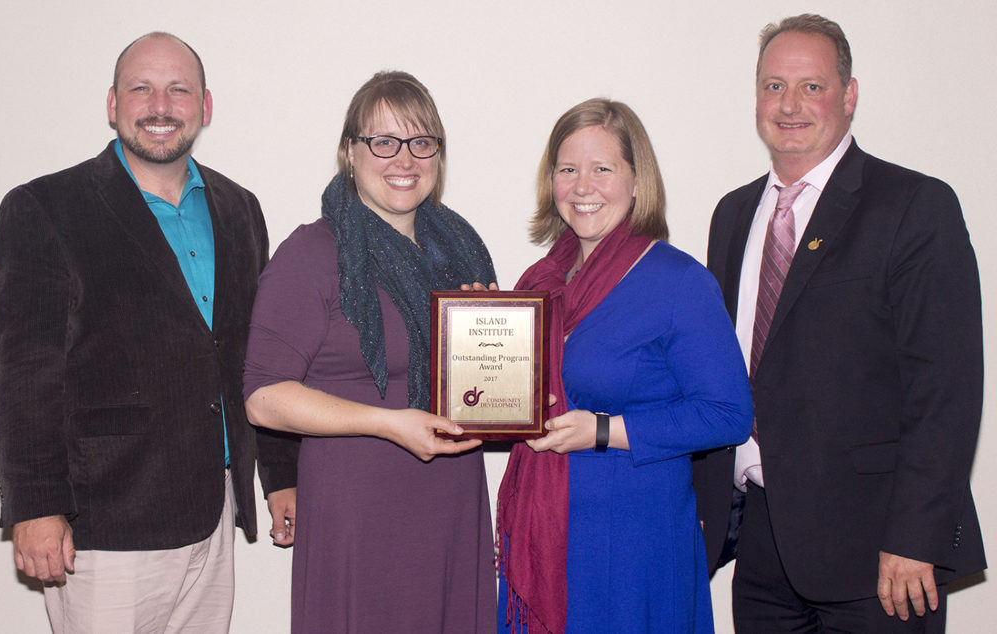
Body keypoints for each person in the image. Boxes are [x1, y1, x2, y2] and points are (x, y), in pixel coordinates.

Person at [0, 32, 298, 633]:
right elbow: (22, 374)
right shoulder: (46, 207)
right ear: (112, 103)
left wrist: (281, 474)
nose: (161, 106)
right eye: (142, 88)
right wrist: (36, 506)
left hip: (214, 506)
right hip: (106, 518)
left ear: (205, 107)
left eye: (179, 90)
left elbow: (256, 355)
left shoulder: (240, 209)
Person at [692, 13, 986, 633]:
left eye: (812, 86)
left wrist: (917, 536)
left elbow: (946, 390)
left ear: (849, 95)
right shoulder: (733, 214)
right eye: (774, 86)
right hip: (762, 544)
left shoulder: (913, 206)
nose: (790, 104)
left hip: (879, 553)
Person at [243, 70, 498, 633]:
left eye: (421, 141)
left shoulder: (461, 252)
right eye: (383, 142)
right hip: (360, 507)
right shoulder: (312, 252)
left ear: (438, 153)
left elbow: (486, 390)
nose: (404, 159)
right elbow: (264, 398)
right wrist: (388, 424)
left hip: (451, 501)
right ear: (349, 153)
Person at [495, 98, 753, 634]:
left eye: (602, 169)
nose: (582, 185)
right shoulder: (538, 282)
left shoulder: (679, 282)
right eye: (567, 169)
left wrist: (605, 431)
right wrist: (474, 339)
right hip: (544, 534)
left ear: (638, 181)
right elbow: (513, 402)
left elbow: (728, 414)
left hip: (634, 540)